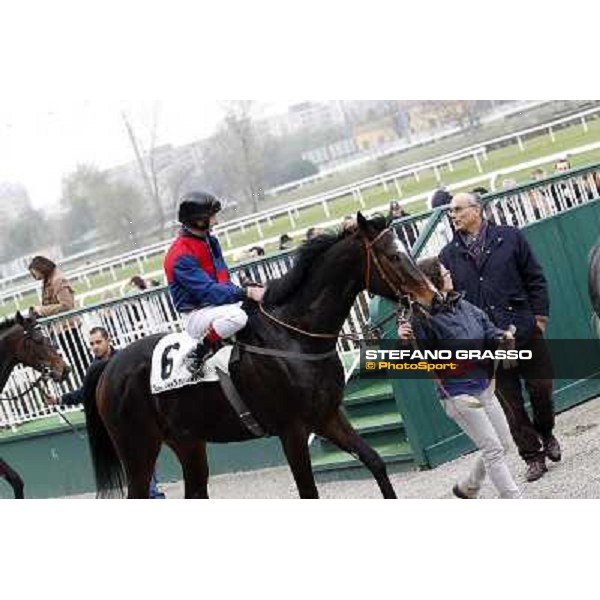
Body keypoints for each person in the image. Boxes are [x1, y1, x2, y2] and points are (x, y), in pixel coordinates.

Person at [439, 192, 560, 482]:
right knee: (511, 404)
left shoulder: (510, 237)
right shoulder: (448, 256)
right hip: (489, 343)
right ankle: (532, 456)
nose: (452, 215)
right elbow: (449, 300)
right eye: (450, 211)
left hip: (524, 329)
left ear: (476, 210)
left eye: (457, 209)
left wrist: (539, 320)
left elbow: (535, 278)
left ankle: (546, 432)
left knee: (542, 388)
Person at [398, 257, 520, 499]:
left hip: (485, 387)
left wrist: (502, 337)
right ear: (432, 282)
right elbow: (409, 361)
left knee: (504, 443)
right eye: (444, 273)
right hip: (457, 394)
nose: (449, 274)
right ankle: (513, 497)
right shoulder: (419, 320)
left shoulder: (463, 305)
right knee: (493, 449)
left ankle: (469, 486)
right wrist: (404, 342)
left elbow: (487, 329)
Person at [45, 326, 165, 499]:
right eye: (92, 344)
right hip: (117, 424)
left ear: (108, 340)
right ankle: (152, 494)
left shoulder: (126, 358)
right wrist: (59, 400)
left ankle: (153, 494)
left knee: (142, 461)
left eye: (98, 342)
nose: (95, 347)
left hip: (137, 418)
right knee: (137, 463)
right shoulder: (94, 368)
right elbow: (83, 393)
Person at [164, 191, 265, 375]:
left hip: (218, 306)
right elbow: (208, 291)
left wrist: (245, 290)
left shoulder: (210, 241)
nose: (216, 222)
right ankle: (199, 352)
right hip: (197, 314)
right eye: (212, 217)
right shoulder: (179, 255)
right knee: (238, 317)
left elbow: (222, 280)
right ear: (199, 220)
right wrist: (245, 293)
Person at [28, 256, 88, 382]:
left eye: (34, 272)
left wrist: (41, 310)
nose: (34, 276)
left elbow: (67, 305)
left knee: (80, 359)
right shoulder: (49, 280)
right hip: (60, 328)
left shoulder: (58, 280)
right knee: (78, 360)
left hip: (67, 327)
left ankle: (90, 382)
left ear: (41, 268)